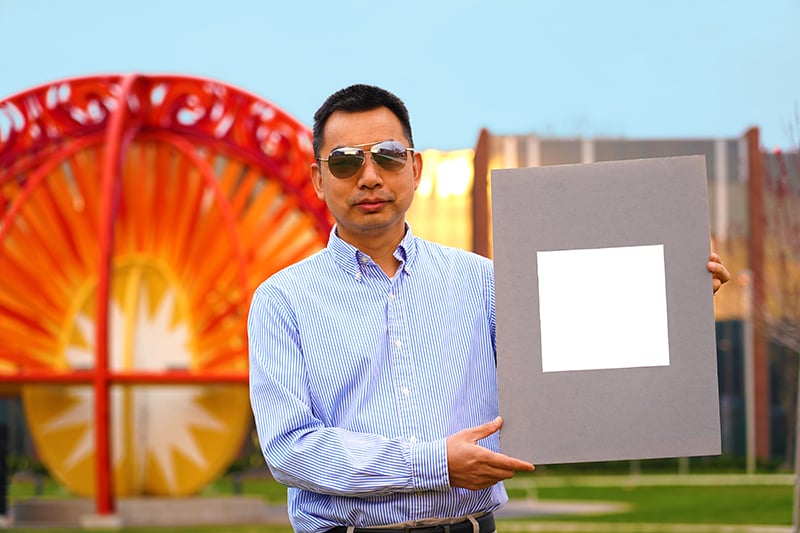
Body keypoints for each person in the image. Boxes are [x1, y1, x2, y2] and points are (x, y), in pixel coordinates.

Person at [248, 84, 731, 533]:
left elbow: (566, 359)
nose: (370, 176)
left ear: (415, 169)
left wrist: (671, 300)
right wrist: (435, 463)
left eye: (389, 157)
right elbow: (290, 451)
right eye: (346, 162)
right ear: (317, 177)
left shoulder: (484, 281)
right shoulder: (282, 302)